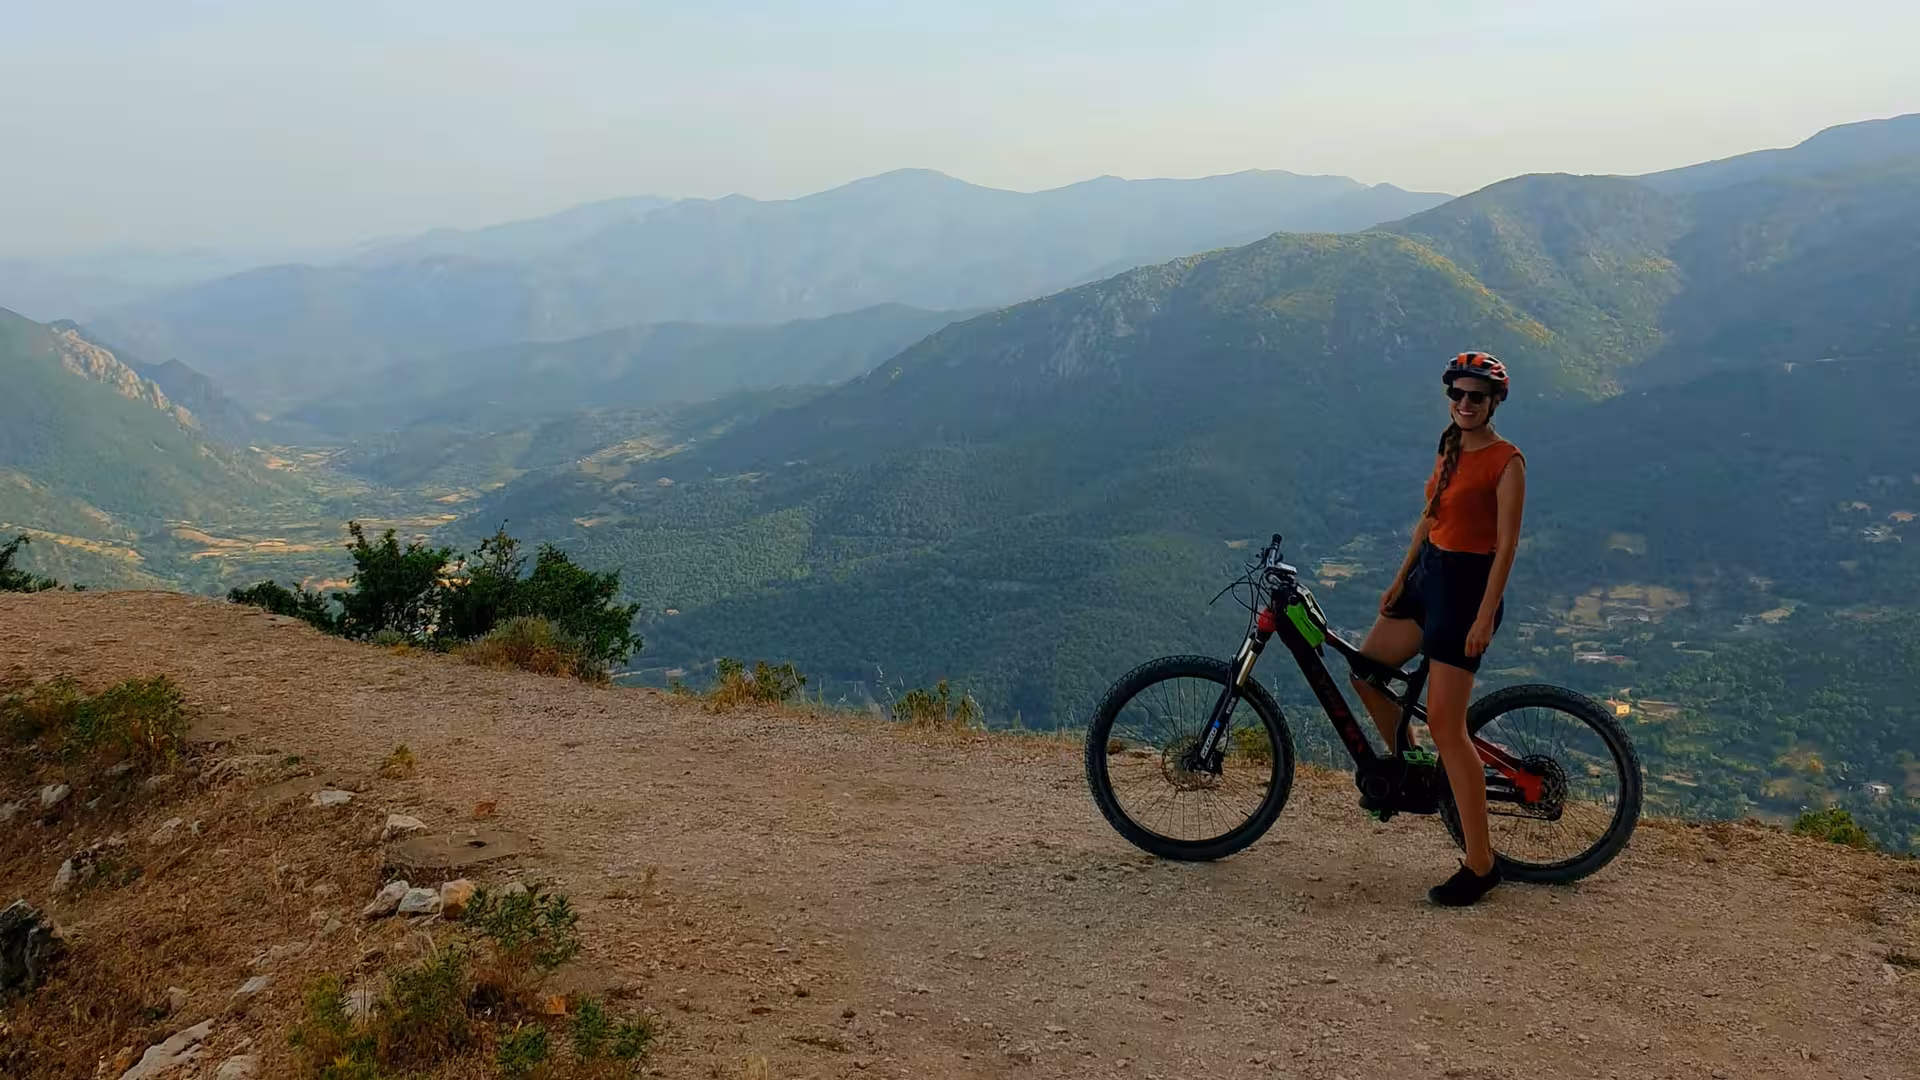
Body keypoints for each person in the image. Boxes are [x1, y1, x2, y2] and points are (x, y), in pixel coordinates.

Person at [1349, 351, 1525, 907]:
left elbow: (1506, 547)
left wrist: (1484, 617)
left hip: (1468, 591)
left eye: (1476, 396)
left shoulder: (1507, 462)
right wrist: (1401, 578)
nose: (1465, 403)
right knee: (1365, 672)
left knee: (1450, 728)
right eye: (1458, 394)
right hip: (1429, 578)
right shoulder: (1449, 445)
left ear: (1494, 402)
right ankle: (1412, 764)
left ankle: (1481, 864)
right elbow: (1430, 519)